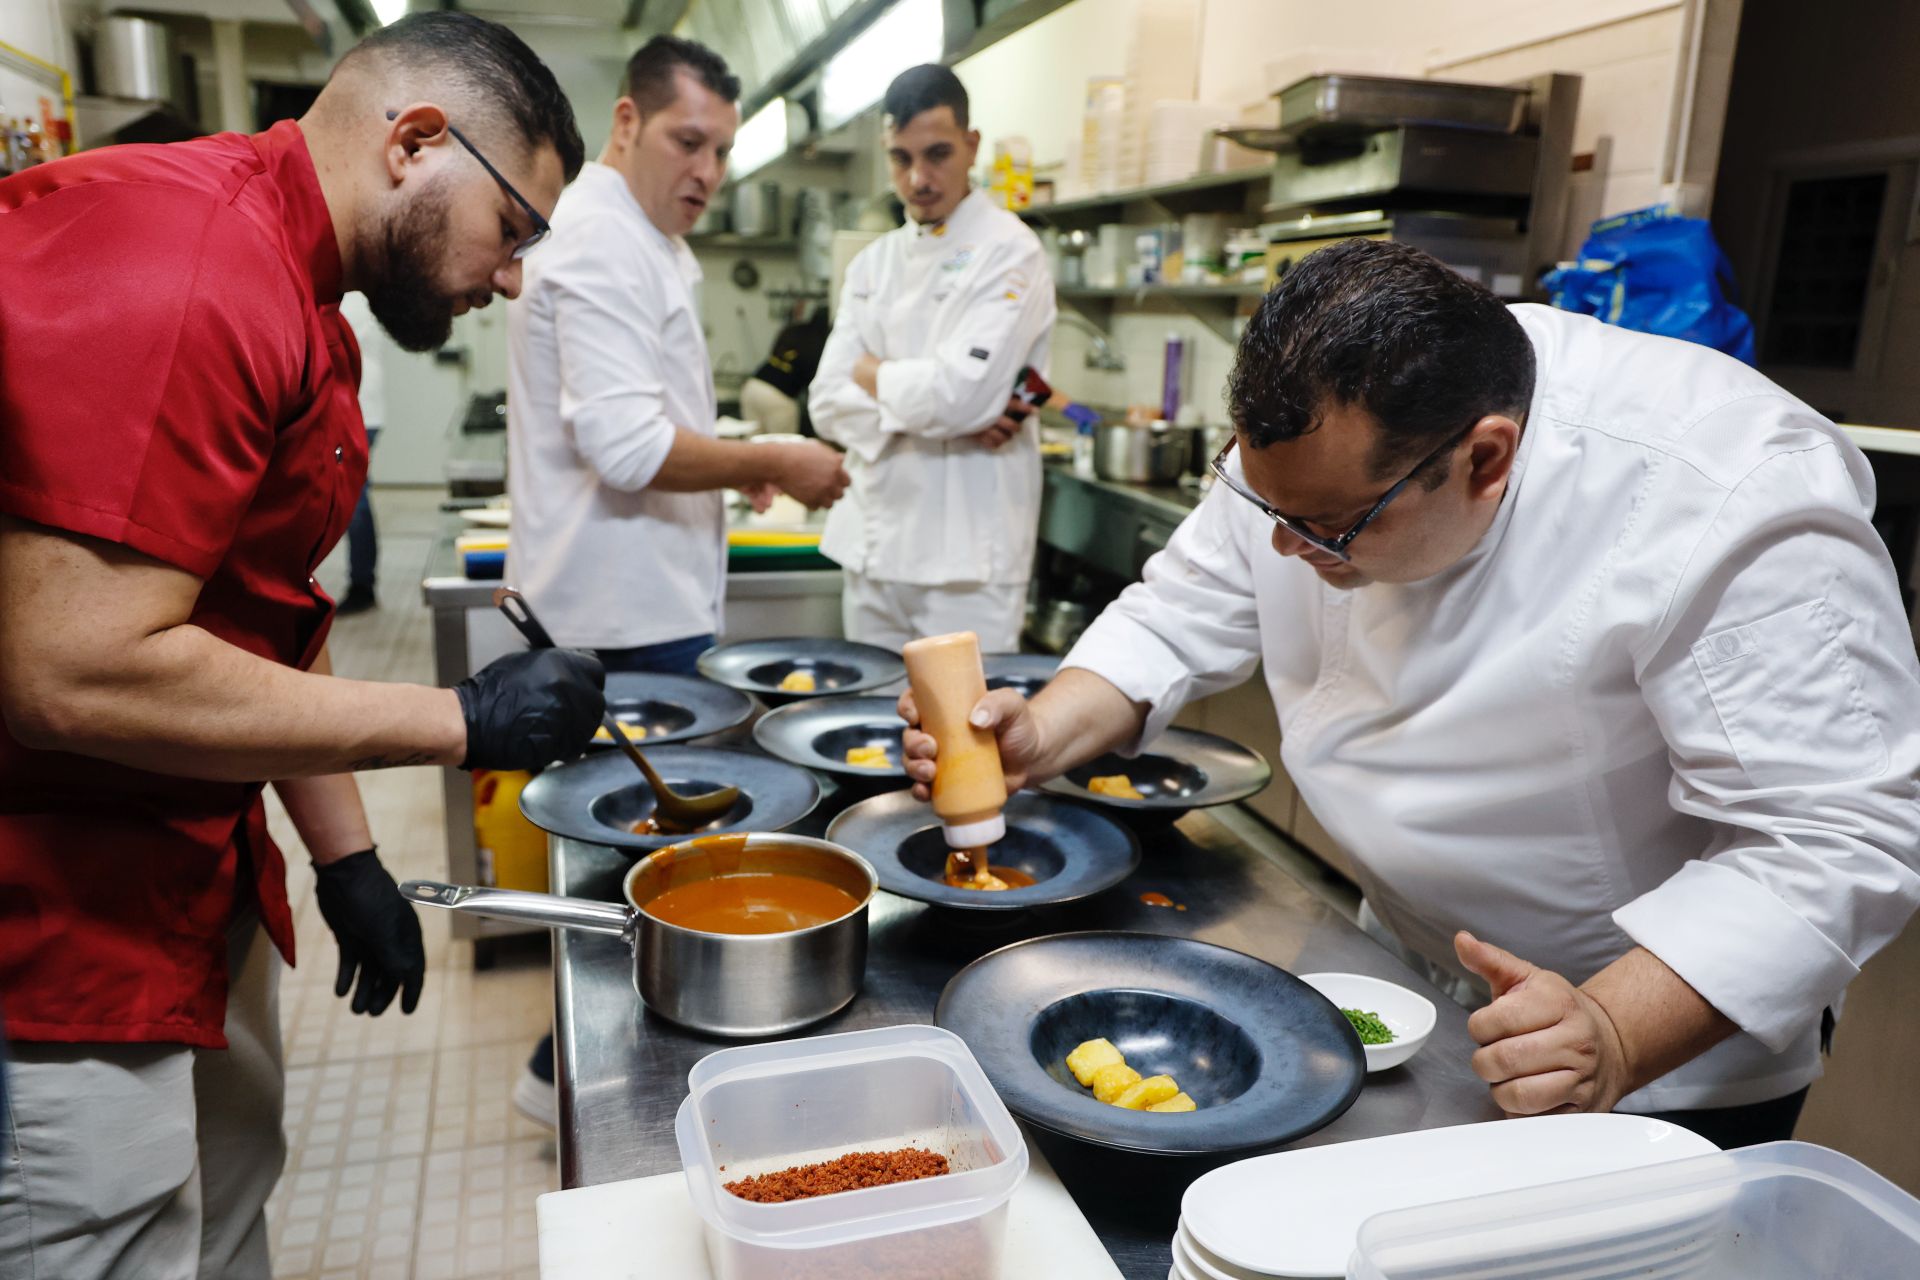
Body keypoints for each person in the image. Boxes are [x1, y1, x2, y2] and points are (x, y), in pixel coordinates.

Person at [902, 240, 1920, 1148]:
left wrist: (1612, 1027)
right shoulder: (1323, 439)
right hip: (1399, 968)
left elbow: (1835, 835)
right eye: (1266, 507)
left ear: (1485, 458)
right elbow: (1178, 612)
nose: (1286, 550)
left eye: (1332, 529)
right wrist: (1038, 730)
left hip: (1648, 1043)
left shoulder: (1726, 488)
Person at [0, 14, 606, 1276]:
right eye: (516, 233)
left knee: (221, 1213)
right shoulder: (190, 270)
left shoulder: (301, 300)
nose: (509, 281)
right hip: (58, 928)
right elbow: (70, 667)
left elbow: (259, 616)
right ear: (417, 143)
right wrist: (461, 721)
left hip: (182, 883)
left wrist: (347, 858)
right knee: (106, 1235)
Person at [503, 34, 846, 1126]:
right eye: (688, 141)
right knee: (640, 871)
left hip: (636, 602)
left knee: (640, 866)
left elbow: (654, 433)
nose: (706, 169)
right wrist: (773, 459)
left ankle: (582, 1070)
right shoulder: (602, 239)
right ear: (626, 124)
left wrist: (722, 468)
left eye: (722, 150)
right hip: (618, 624)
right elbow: (630, 449)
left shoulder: (644, 240)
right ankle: (585, 1083)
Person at [809, 64, 1057, 654]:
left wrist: (874, 376)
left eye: (938, 153)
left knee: (959, 742)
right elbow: (824, 403)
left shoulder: (1010, 249)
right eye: (900, 158)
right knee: (865, 735)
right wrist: (951, 421)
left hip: (966, 562)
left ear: (971, 146)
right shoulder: (872, 263)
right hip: (871, 547)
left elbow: (960, 395)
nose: (919, 177)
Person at [338, 289, 385, 615]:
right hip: (358, 411)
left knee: (355, 500)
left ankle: (362, 584)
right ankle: (362, 580)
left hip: (359, 412)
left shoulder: (352, 301)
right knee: (355, 497)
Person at [741, 304, 831, 436]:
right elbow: (814, 383)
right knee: (781, 448)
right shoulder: (821, 345)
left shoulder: (793, 330)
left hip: (753, 387)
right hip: (779, 397)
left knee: (753, 445)